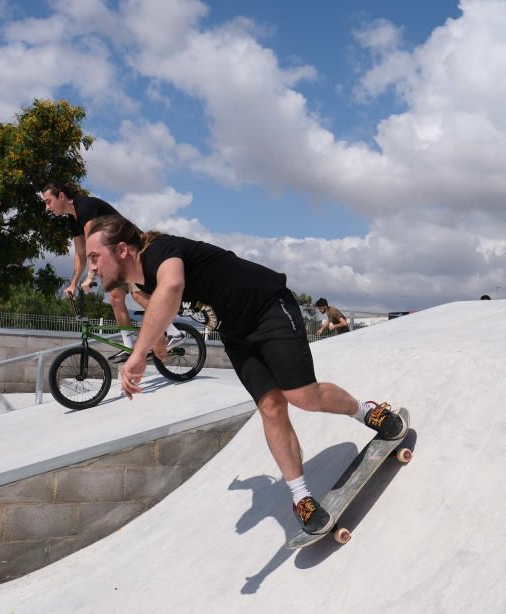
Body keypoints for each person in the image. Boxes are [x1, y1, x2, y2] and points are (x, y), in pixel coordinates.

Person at [84, 214, 407, 535]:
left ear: (123, 250)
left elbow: (172, 285)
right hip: (235, 334)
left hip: (268, 308)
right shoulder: (140, 280)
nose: (93, 268)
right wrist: (156, 341)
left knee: (301, 396)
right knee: (270, 406)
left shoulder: (161, 252)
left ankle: (366, 411)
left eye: (95, 258)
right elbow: (157, 301)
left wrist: (138, 354)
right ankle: (301, 497)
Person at [42, 181, 175, 358]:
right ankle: (129, 346)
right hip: (116, 256)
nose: (47, 207)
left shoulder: (85, 206)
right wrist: (73, 283)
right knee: (115, 298)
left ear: (61, 196)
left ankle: (174, 331)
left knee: (138, 295)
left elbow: (92, 246)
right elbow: (81, 254)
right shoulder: (73, 220)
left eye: (48, 201)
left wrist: (90, 276)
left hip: (133, 248)